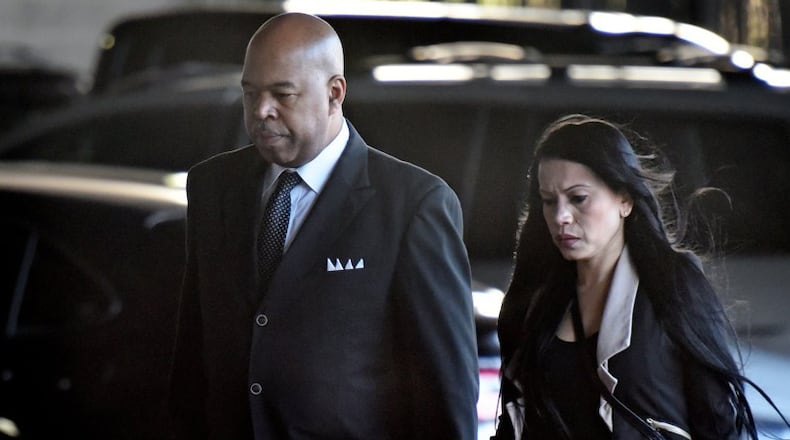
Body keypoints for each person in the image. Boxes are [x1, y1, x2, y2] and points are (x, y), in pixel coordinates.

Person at [168, 12, 479, 440]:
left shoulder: (413, 204)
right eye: (250, 93)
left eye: (283, 94)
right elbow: (192, 358)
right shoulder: (211, 186)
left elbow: (445, 391)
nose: (262, 111)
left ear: (335, 93)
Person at [493, 114, 764, 439]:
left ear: (624, 199)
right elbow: (513, 423)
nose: (561, 216)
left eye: (578, 198)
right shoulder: (533, 302)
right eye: (549, 202)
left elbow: (718, 424)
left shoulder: (671, 284)